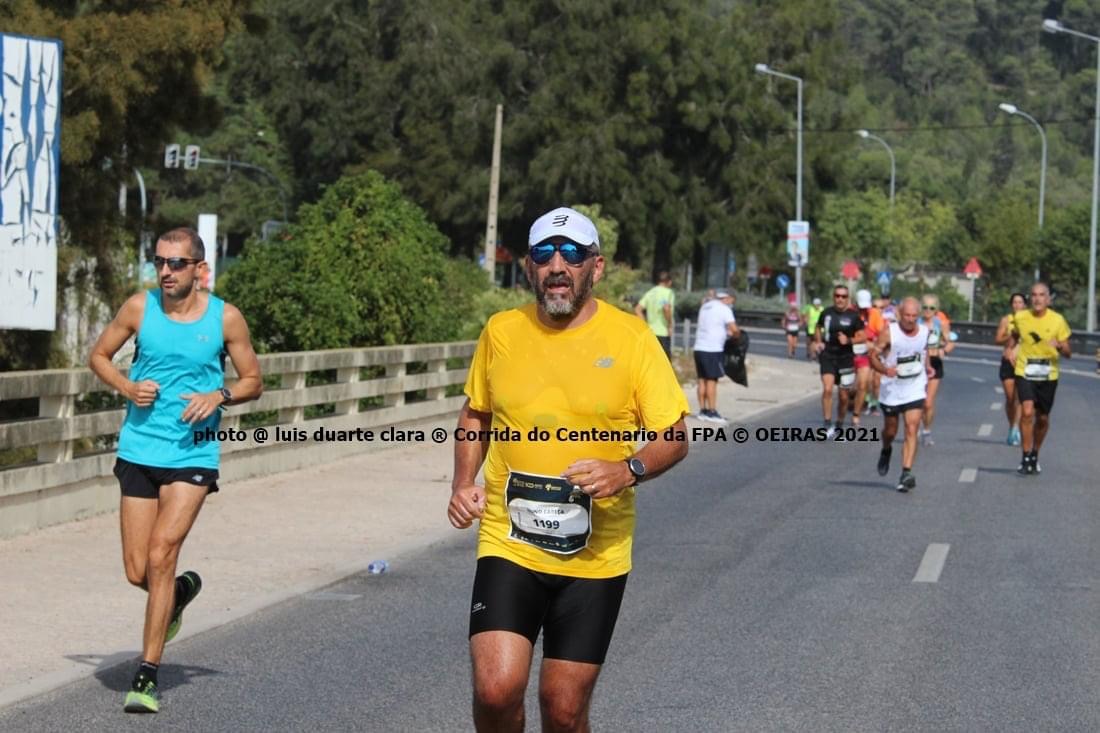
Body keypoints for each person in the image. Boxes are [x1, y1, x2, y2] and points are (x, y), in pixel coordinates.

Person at [448, 206, 689, 732]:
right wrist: (463, 482)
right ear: (529, 268)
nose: (557, 265)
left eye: (572, 254)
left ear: (595, 267)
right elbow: (476, 413)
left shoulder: (631, 339)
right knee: (495, 691)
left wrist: (627, 469)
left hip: (595, 556)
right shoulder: (501, 331)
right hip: (510, 539)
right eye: (544, 254)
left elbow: (674, 434)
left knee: (563, 707)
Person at [88, 227, 262, 713]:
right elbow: (98, 356)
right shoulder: (138, 308)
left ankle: (146, 675)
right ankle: (179, 592)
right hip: (140, 448)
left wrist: (218, 395)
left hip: (192, 453)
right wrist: (127, 386)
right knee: (137, 570)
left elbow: (253, 381)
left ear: (199, 269)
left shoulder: (225, 318)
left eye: (176, 263)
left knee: (162, 553)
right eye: (160, 261)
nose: (166, 271)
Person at [869, 297, 935, 492]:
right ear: (899, 314)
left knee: (912, 427)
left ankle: (906, 473)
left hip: (914, 386)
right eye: (907, 315)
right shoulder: (889, 332)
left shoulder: (924, 332)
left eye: (914, 316)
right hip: (892, 387)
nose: (911, 319)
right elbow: (872, 356)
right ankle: (886, 448)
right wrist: (884, 370)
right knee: (890, 431)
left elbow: (923, 351)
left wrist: (928, 367)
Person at [1010, 282, 1071, 476]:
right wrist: (1011, 349)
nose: (1037, 299)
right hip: (1024, 371)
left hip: (1048, 374)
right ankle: (1025, 456)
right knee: (1027, 412)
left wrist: (1060, 346)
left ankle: (1035, 452)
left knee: (1042, 418)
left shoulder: (1058, 320)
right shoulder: (1021, 317)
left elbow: (1068, 352)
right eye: (1034, 295)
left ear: (1048, 299)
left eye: (1042, 295)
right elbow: (1015, 334)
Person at [814, 286, 866, 437]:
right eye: (837, 296)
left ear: (847, 299)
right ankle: (827, 423)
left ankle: (839, 422)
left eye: (843, 296)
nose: (840, 299)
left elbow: (862, 336)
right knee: (827, 389)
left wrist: (849, 340)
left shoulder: (853, 316)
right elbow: (818, 327)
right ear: (833, 297)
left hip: (846, 358)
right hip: (828, 356)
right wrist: (818, 342)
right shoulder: (826, 313)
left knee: (843, 396)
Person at [695, 291, 740, 422]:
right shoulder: (724, 309)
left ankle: (702, 410)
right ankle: (712, 411)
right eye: (732, 302)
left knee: (701, 380)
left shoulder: (705, 306)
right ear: (728, 298)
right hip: (713, 349)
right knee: (712, 380)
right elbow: (734, 329)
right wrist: (736, 336)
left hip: (699, 347)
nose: (731, 305)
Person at [918, 295, 953, 445]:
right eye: (925, 307)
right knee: (916, 400)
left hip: (935, 363)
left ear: (936, 310)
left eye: (931, 308)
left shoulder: (940, 324)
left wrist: (943, 351)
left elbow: (950, 343)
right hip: (917, 364)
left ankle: (926, 431)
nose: (927, 310)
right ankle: (915, 425)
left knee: (928, 403)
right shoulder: (915, 322)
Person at [994, 292, 1028, 446]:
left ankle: (1016, 429)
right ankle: (1011, 426)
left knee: (1019, 398)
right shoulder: (1006, 320)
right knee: (1010, 398)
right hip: (1007, 361)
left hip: (1023, 362)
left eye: (1020, 302)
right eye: (1015, 302)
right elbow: (997, 339)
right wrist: (1010, 336)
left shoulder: (1030, 320)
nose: (1017, 305)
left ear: (1025, 305)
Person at [852, 289, 885, 424]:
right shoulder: (850, 313)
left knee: (865, 383)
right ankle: (855, 402)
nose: (863, 310)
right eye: (861, 307)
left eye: (865, 307)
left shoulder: (875, 314)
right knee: (849, 388)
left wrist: (875, 345)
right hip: (850, 352)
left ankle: (858, 412)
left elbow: (881, 333)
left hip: (866, 354)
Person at [635, 270, 675, 359]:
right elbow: (666, 309)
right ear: (669, 282)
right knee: (664, 363)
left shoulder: (650, 292)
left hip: (651, 333)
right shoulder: (668, 292)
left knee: (651, 361)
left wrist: (645, 325)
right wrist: (669, 325)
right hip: (663, 333)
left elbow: (638, 309)